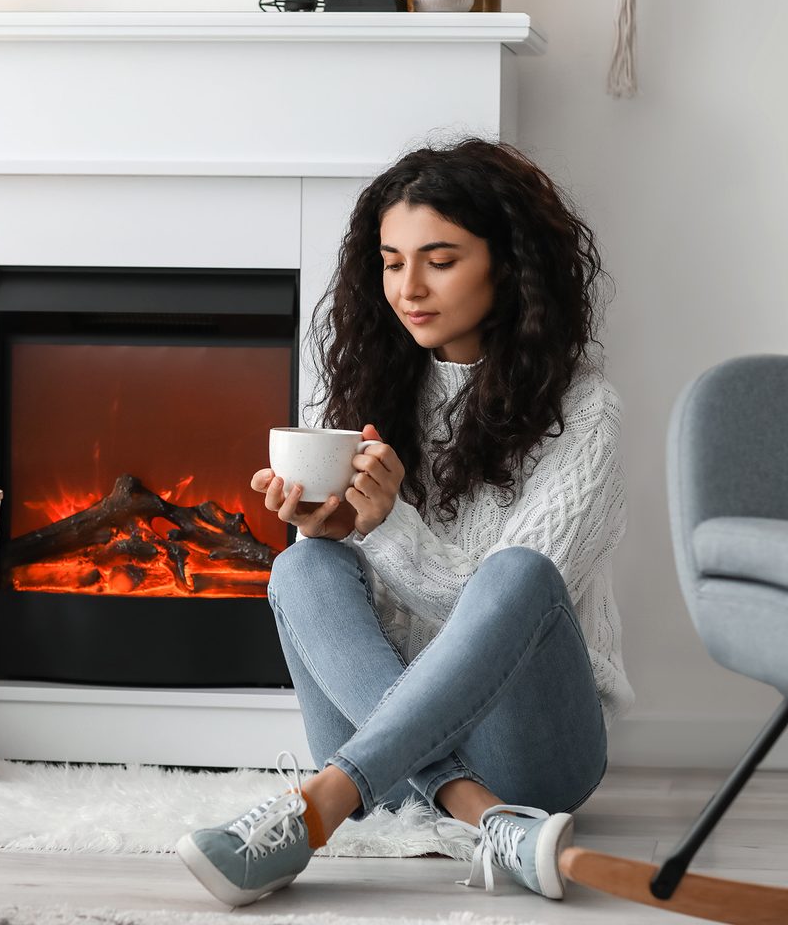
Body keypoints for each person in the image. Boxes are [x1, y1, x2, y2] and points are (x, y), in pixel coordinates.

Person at [176, 138, 634, 908]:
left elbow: (503, 618)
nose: (408, 287)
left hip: (532, 750)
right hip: (389, 742)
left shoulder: (587, 414)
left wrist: (386, 525)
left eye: (440, 260)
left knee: (519, 571)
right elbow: (345, 595)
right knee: (302, 567)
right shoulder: (372, 389)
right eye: (391, 262)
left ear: (511, 264)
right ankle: (480, 816)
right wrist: (326, 527)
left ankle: (320, 806)